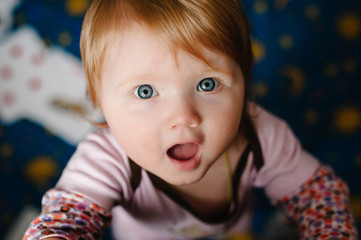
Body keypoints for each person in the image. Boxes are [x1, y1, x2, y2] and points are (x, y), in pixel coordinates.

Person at [24, 0, 358, 239]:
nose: (184, 118)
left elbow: (317, 193)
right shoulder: (106, 158)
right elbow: (66, 216)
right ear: (100, 103)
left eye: (207, 84)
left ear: (245, 85)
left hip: (232, 226)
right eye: (144, 92)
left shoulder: (261, 134)